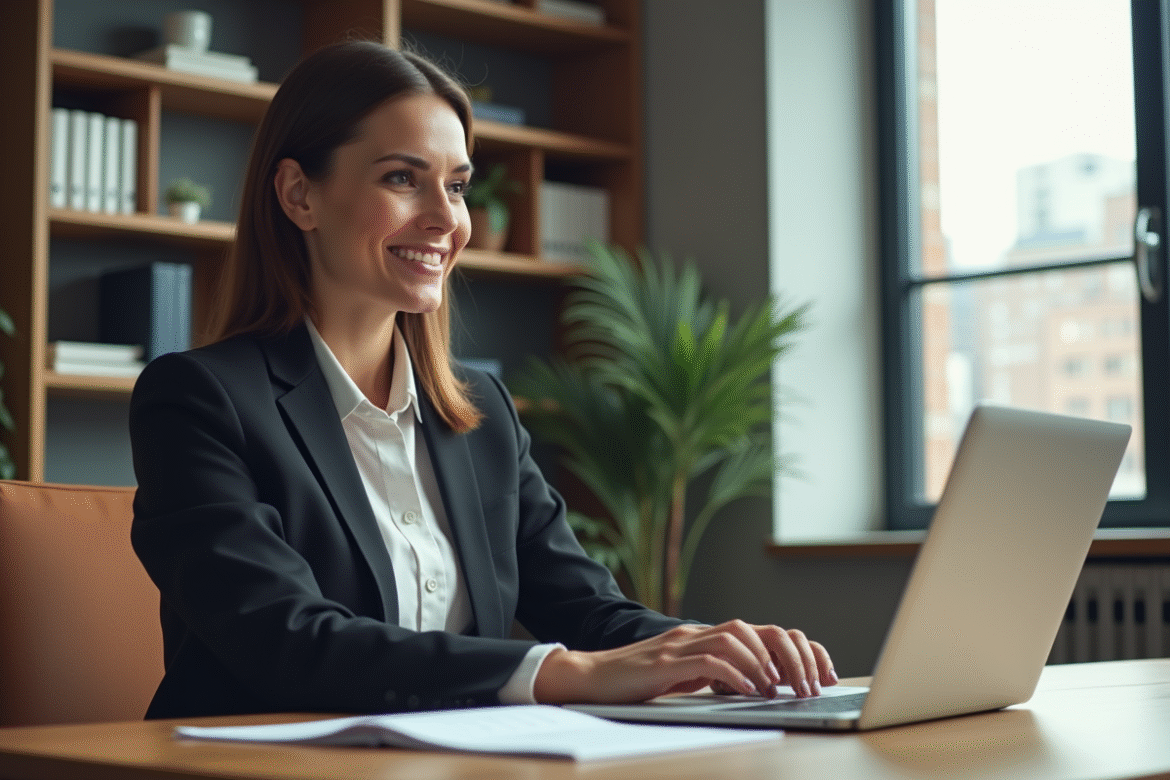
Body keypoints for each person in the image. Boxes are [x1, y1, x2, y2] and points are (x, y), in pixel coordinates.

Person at [128, 40, 836, 720]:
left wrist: (714, 650)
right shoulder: (199, 401)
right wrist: (566, 674)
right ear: (298, 195)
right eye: (402, 178)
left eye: (457, 186)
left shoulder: (481, 414)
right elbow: (286, 640)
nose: (447, 219)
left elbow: (587, 609)